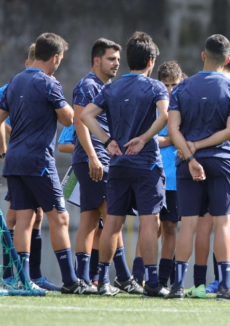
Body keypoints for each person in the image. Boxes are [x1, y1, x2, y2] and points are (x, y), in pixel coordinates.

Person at [81, 31, 169, 298]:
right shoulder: (155, 87)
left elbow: (86, 115)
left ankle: (102, 280)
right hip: (146, 164)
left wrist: (108, 142)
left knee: (112, 223)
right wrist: (144, 138)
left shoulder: (111, 87)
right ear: (151, 61)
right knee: (149, 221)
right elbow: (165, 116)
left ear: (129, 59)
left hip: (118, 163)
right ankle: (152, 282)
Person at [0, 33, 89, 294]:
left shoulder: (15, 81)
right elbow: (68, 119)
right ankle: (71, 281)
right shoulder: (49, 83)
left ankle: (22, 279)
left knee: (25, 219)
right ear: (55, 58)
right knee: (60, 217)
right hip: (38, 160)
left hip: (14, 160)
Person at [167, 35, 230, 301]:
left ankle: (178, 286)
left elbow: (172, 129)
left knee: (188, 225)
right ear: (227, 60)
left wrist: (191, 156)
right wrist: (199, 146)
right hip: (222, 161)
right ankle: (225, 285)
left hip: (188, 163)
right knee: (223, 224)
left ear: (203, 55)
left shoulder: (181, 88)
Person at [72, 38, 143, 296]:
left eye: (117, 59)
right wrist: (93, 156)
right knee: (112, 217)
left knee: (92, 220)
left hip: (103, 159)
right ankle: (120, 277)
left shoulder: (108, 87)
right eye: (111, 59)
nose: (116, 63)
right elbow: (80, 123)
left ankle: (83, 279)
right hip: (95, 160)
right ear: (97, 60)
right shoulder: (87, 85)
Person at [1, 43, 60, 292]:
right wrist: (4, 150)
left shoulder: (45, 85)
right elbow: (2, 123)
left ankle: (32, 275)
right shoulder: (15, 86)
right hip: (24, 160)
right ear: (28, 63)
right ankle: (8, 274)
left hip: (31, 160)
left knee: (34, 216)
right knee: (16, 215)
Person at [156, 61, 184, 290]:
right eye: (165, 85)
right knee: (159, 226)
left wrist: (163, 139)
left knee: (172, 227)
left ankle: (169, 279)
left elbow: (177, 136)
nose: (169, 89)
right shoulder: (155, 104)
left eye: (173, 84)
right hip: (156, 176)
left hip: (177, 177)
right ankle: (156, 277)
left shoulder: (185, 104)